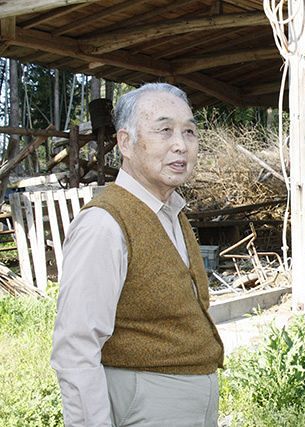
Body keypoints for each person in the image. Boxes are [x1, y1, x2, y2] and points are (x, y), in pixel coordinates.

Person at [51, 82, 224, 427]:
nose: (181, 145)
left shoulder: (172, 212)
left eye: (189, 131)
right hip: (144, 404)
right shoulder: (104, 223)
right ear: (125, 143)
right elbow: (76, 348)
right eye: (164, 130)